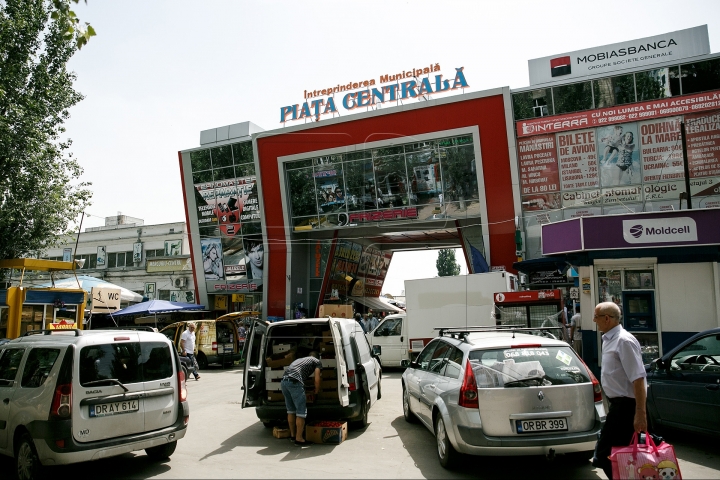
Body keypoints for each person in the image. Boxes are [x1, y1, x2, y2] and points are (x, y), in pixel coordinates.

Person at [592, 302, 647, 479]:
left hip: (627, 406)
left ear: (607, 318)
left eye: (596, 317)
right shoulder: (608, 339)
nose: (594, 320)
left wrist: (640, 413)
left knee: (605, 453)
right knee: (618, 454)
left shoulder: (623, 341)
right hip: (617, 406)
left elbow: (638, 378)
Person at [280, 352, 322, 446]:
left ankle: (293, 436)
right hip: (294, 382)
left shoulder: (300, 360)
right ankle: (299, 439)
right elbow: (317, 378)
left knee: (290, 410)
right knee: (301, 412)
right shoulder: (317, 361)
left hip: (284, 382)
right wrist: (316, 391)